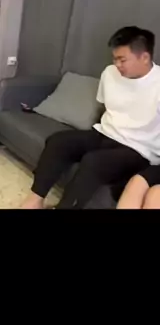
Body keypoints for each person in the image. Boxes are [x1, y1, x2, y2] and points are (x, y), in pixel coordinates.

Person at [20, 26, 160, 210]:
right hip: (105, 134)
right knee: (58, 142)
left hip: (139, 150)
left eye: (122, 60)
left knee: (93, 162)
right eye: (114, 58)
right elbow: (106, 107)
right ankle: (35, 201)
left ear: (145, 57)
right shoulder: (109, 73)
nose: (117, 65)